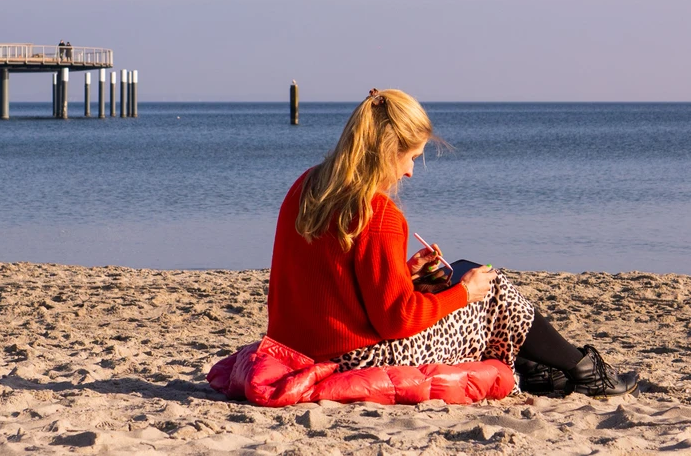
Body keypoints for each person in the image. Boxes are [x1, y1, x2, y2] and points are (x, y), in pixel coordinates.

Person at [265, 88, 638, 397]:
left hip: (301, 347)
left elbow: (335, 281)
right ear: (386, 151)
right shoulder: (378, 213)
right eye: (411, 157)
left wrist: (406, 272)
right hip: (356, 357)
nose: (411, 170)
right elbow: (397, 319)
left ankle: (544, 371)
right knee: (492, 289)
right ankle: (584, 369)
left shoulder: (308, 186)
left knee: (459, 270)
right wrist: (465, 295)